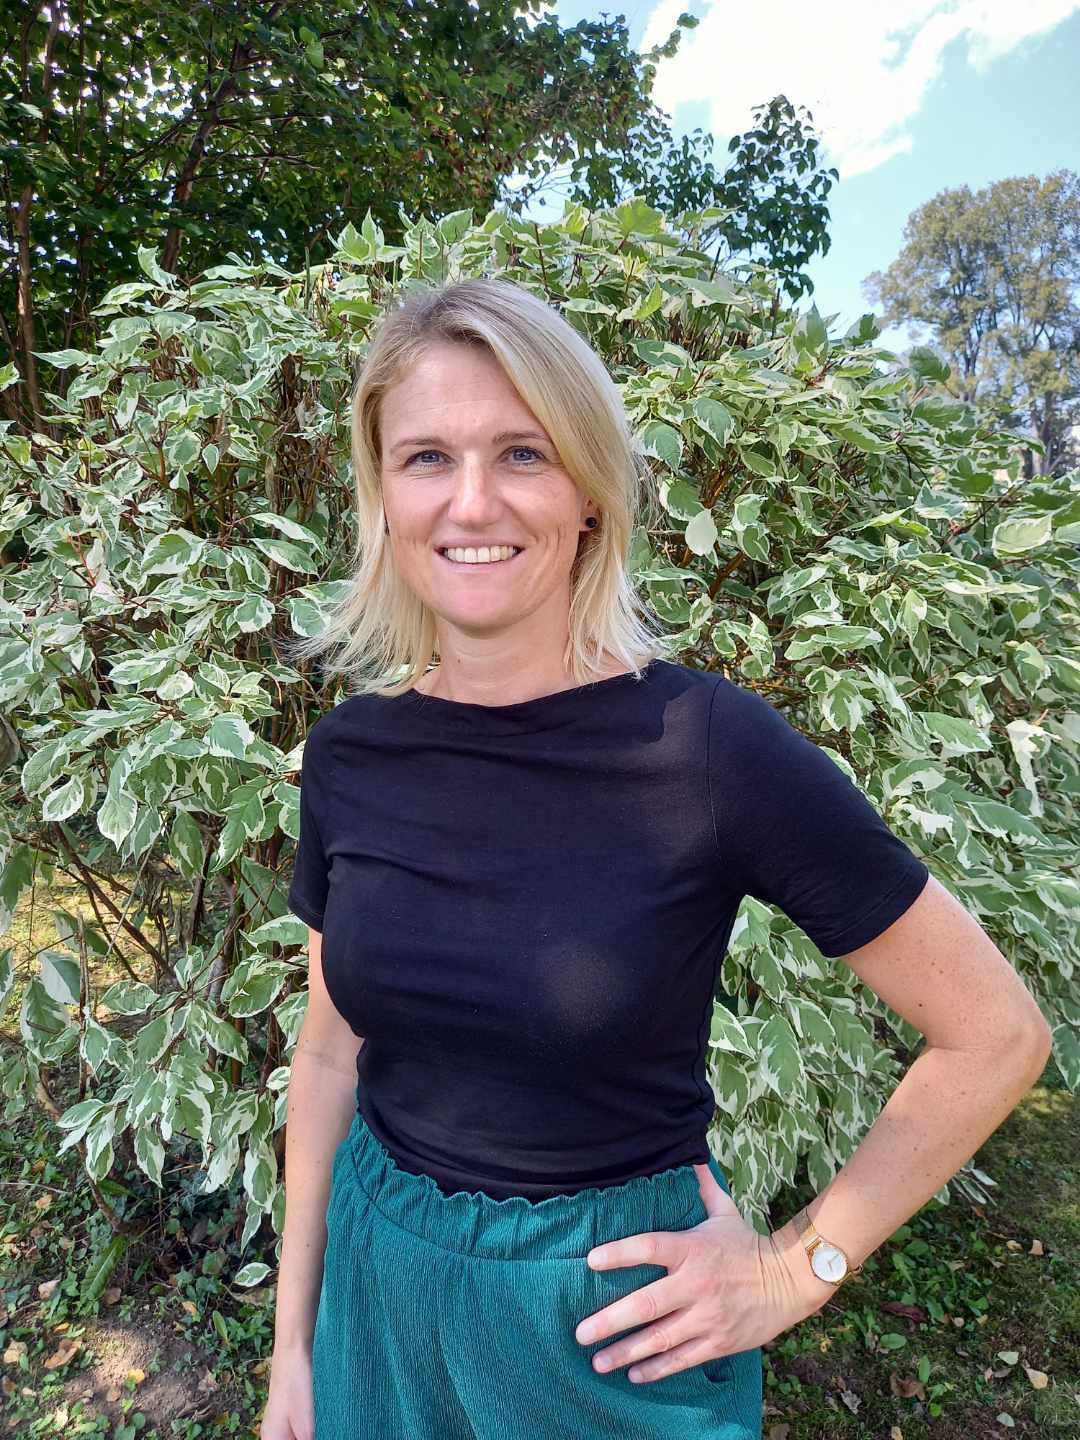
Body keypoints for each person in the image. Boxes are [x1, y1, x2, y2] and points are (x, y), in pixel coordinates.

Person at [260, 278, 1052, 1440]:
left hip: (609, 1330)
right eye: (426, 457)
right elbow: (330, 1056)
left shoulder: (706, 751)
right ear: (383, 493)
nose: (471, 500)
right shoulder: (350, 755)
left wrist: (799, 1267)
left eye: (522, 453)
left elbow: (996, 1034)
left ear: (588, 491)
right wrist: (296, 1346)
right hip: (381, 1296)